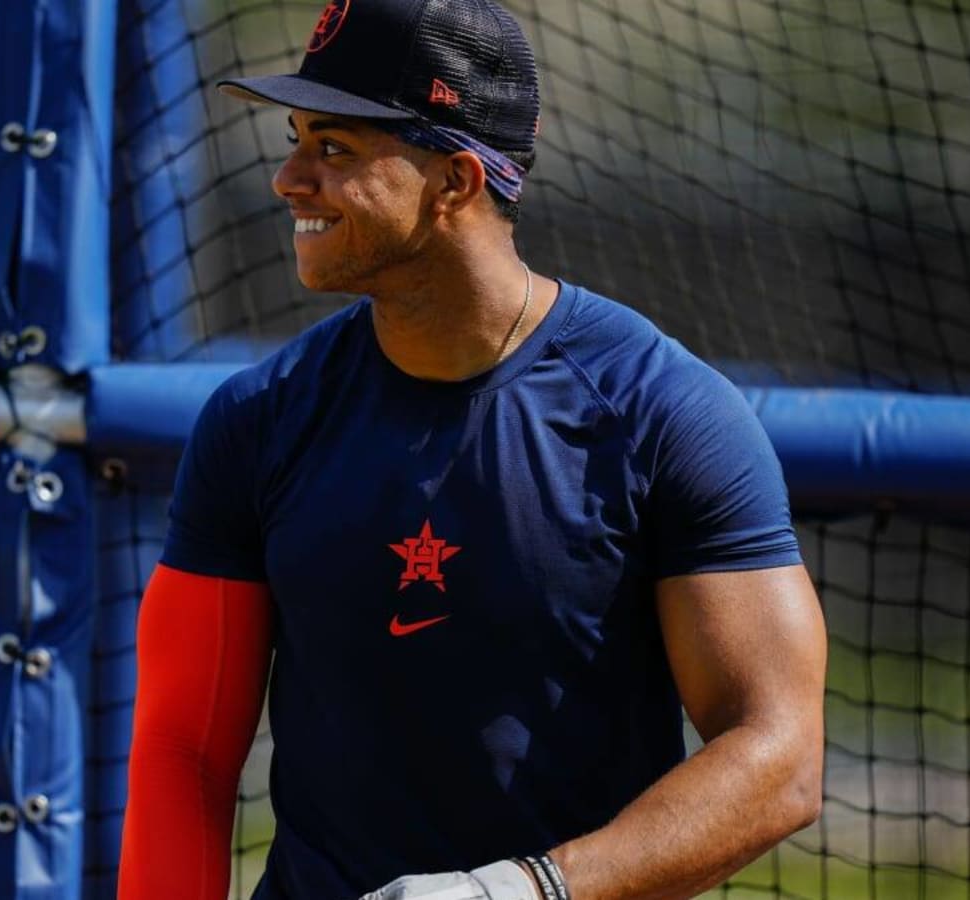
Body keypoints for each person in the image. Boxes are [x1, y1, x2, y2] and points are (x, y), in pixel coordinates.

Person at [117, 0, 828, 897]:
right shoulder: (257, 419)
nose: (288, 179)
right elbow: (184, 753)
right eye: (294, 138)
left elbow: (779, 755)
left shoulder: (665, 413)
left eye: (333, 148)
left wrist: (526, 891)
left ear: (454, 182)